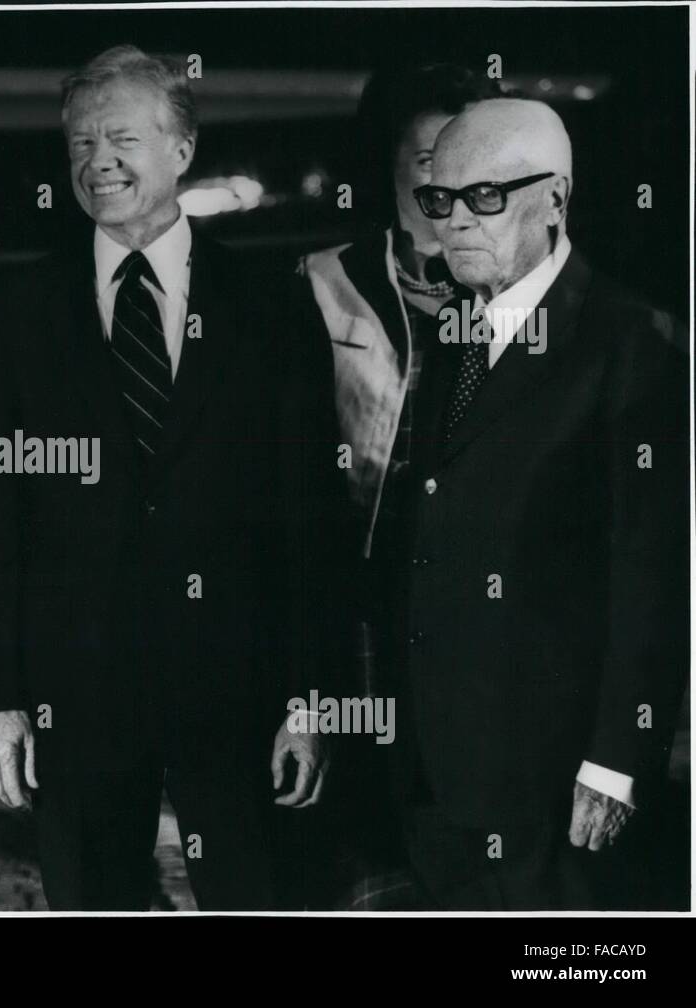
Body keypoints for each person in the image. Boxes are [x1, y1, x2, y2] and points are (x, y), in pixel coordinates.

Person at [0, 45, 348, 911]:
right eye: (79, 144)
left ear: (182, 150)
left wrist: (315, 699)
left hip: (242, 698)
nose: (97, 161)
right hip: (78, 702)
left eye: (122, 139)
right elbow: (4, 517)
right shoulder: (15, 316)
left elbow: (310, 516)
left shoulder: (271, 306)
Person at [395, 98, 688, 909]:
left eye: (484, 196)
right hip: (441, 775)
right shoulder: (457, 334)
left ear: (555, 200)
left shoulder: (635, 345)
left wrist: (617, 760)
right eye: (438, 199)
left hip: (559, 786)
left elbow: (653, 573)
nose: (454, 222)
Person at [294, 63, 497, 906]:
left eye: (460, 154)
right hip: (362, 577)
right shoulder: (326, 278)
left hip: (473, 586)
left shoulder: (511, 281)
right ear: (386, 161)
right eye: (423, 155)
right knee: (365, 798)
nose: (441, 174)